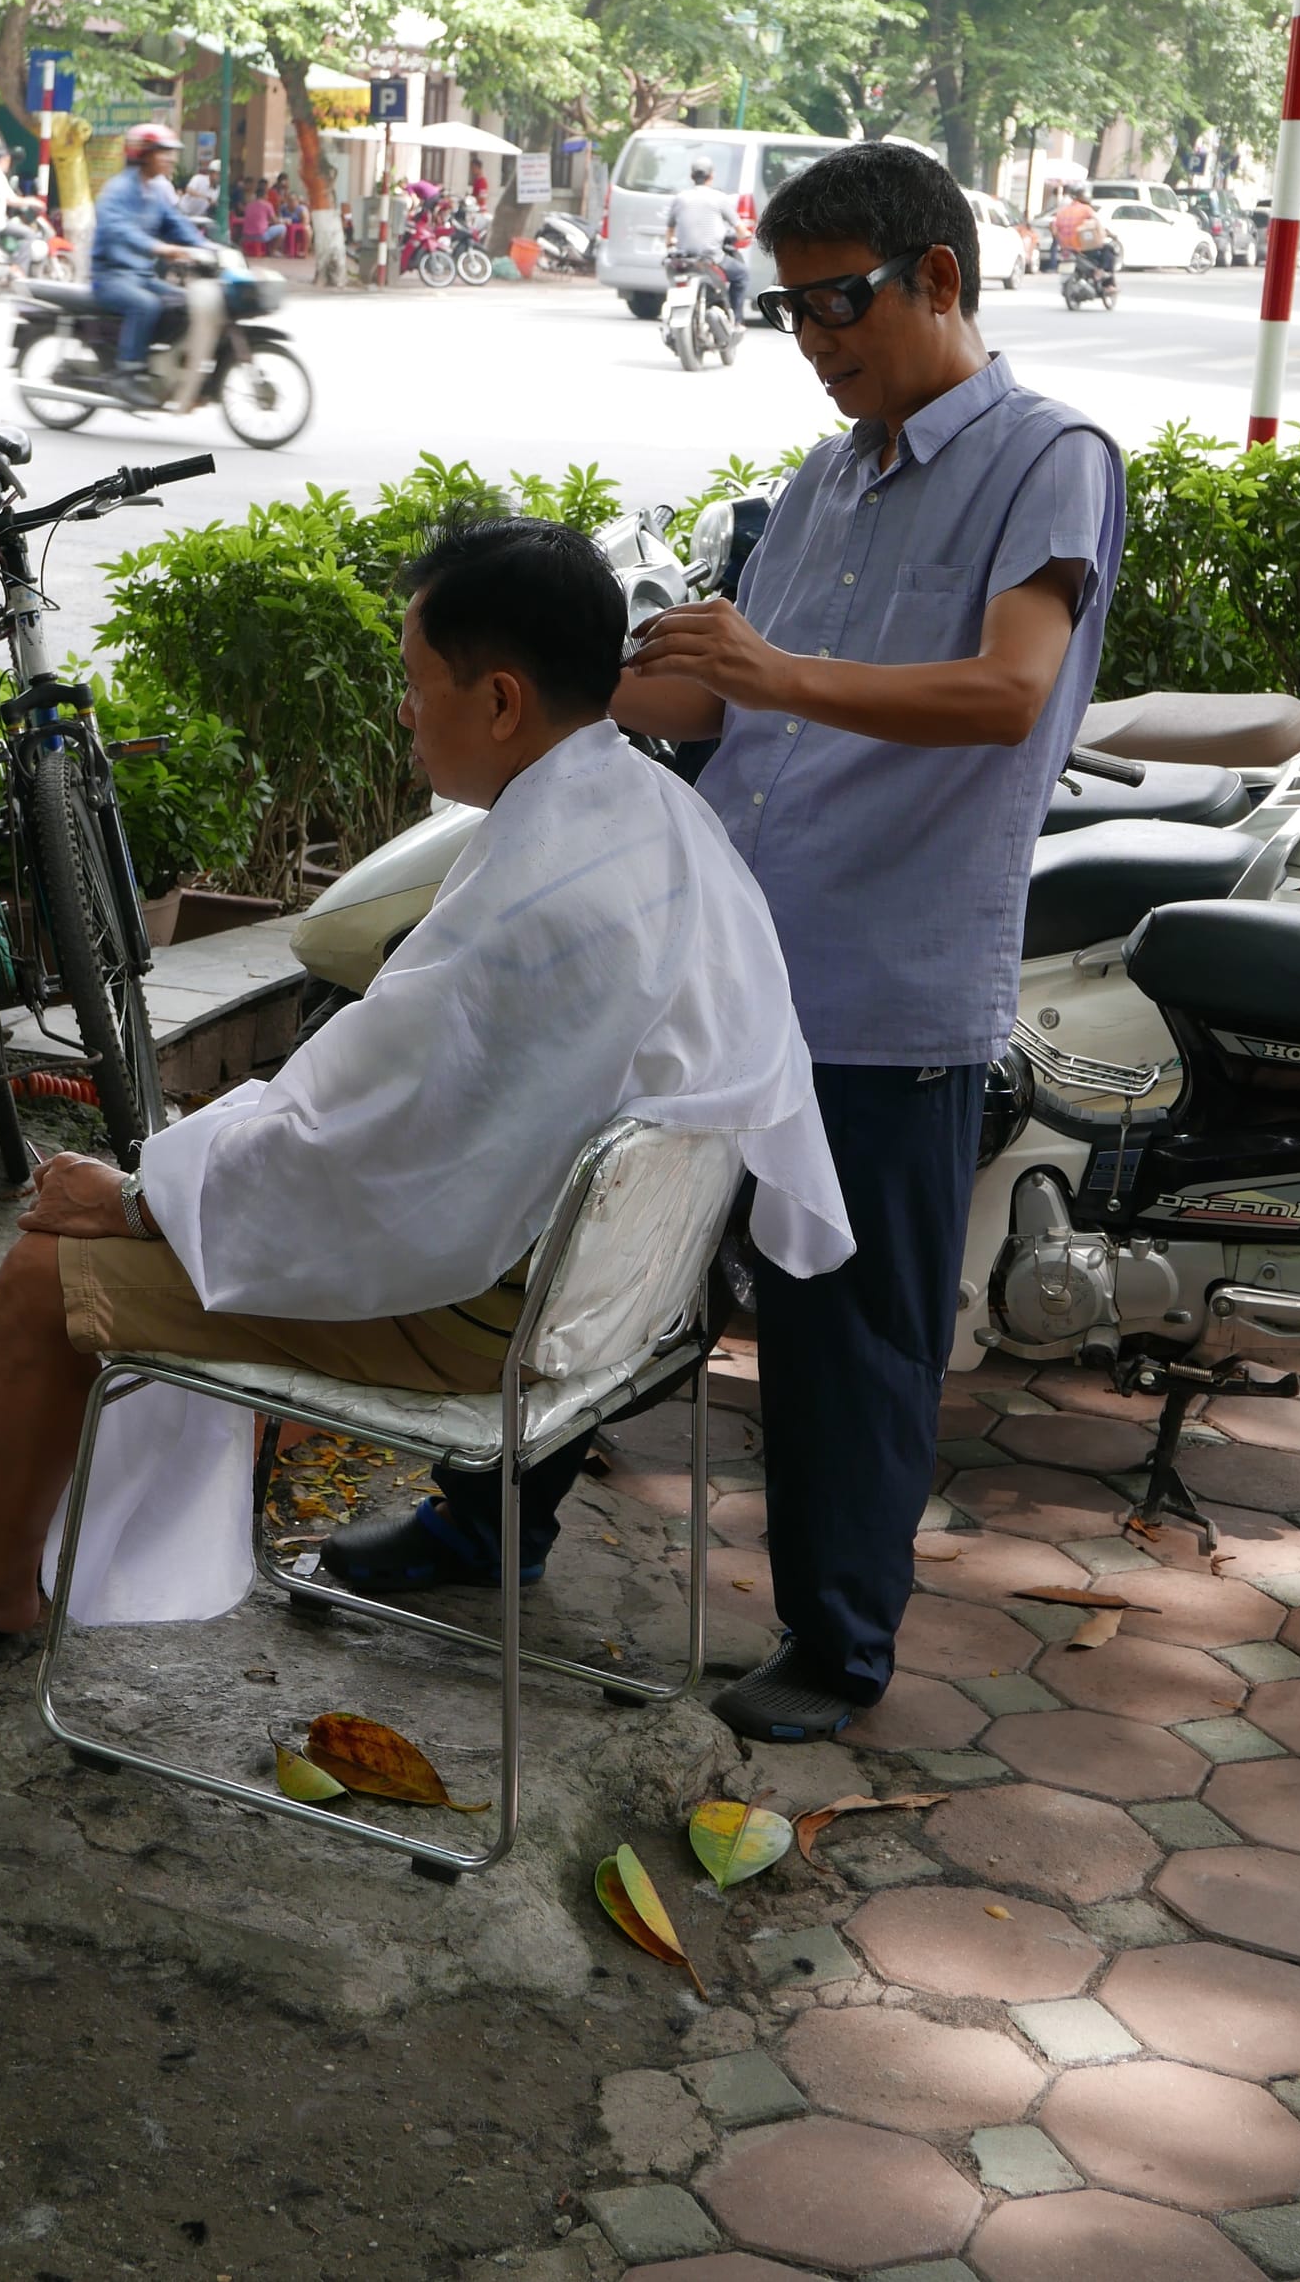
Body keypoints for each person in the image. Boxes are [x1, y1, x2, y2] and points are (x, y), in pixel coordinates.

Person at [359, 143, 1123, 1741]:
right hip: (715, 960)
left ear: (939, 278)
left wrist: (774, 673)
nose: (818, 337)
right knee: (581, 1256)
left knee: (851, 1330)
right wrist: (548, 668)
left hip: (883, 986)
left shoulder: (1047, 458)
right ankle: (480, 1520)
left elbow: (1004, 696)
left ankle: (839, 1643)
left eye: (841, 300)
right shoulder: (832, 477)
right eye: (787, 311)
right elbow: (717, 697)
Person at [0, 520, 851, 1645]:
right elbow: (371, 1120)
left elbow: (347, 1147)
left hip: (494, 1318)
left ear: (499, 701)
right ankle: (37, 1460)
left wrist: (141, 1199)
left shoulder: (537, 902)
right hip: (619, 1294)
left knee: (45, 1271)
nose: (403, 711)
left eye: (413, 682)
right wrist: (173, 1188)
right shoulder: (652, 814)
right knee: (184, 1197)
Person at [86, 123, 202, 402]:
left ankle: (159, 365)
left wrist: (209, 248)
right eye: (163, 152)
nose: (171, 159)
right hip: (110, 277)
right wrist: (158, 247)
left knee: (185, 302)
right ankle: (128, 373)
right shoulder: (118, 190)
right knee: (145, 305)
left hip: (141, 276)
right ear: (144, 155)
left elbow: (177, 224)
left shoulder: (153, 192)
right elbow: (119, 230)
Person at [663, 155, 747, 321]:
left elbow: (670, 230)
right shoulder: (719, 198)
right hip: (711, 257)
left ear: (692, 176)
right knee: (741, 275)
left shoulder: (680, 198)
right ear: (712, 175)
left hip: (684, 257)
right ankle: (736, 320)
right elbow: (741, 231)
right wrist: (745, 235)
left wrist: (670, 242)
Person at [239, 178, 275, 257]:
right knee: (282, 228)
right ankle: (273, 251)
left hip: (246, 236)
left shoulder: (248, 205)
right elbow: (274, 220)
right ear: (265, 195)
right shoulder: (268, 205)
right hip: (260, 236)